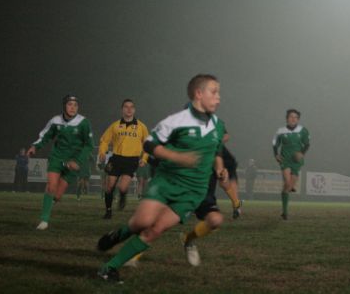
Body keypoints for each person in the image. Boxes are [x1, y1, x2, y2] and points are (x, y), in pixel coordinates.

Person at [96, 74, 226, 284]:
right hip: (167, 182)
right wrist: (176, 156)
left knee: (154, 230)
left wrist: (220, 169)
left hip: (193, 192)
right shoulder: (177, 121)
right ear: (198, 94)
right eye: (214, 92)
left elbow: (217, 149)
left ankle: (109, 268)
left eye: (219, 92)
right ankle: (119, 234)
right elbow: (149, 144)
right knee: (142, 222)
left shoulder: (218, 125)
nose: (219, 97)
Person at [27, 94, 94, 230]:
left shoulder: (84, 122)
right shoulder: (55, 121)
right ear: (64, 106)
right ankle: (44, 220)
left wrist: (77, 161)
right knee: (51, 186)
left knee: (57, 196)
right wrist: (35, 146)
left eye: (75, 105)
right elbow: (45, 136)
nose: (72, 108)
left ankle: (49, 205)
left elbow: (89, 145)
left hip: (73, 163)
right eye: (70, 104)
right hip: (57, 157)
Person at [98, 99, 150, 219]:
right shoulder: (115, 125)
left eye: (131, 107)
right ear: (122, 109)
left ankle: (122, 195)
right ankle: (108, 211)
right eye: (126, 107)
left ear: (134, 110)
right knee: (109, 186)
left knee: (122, 186)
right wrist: (102, 151)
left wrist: (144, 158)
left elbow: (147, 144)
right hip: (116, 158)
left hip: (131, 160)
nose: (129, 109)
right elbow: (105, 140)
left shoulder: (141, 127)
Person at [272, 109, 310, 220]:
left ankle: (285, 207)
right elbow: (275, 144)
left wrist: (301, 153)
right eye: (291, 116)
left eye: (295, 117)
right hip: (285, 159)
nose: (293, 119)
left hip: (296, 160)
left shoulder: (303, 130)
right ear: (287, 118)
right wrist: (276, 155)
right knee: (287, 182)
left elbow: (307, 144)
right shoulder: (281, 131)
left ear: (298, 119)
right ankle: (285, 211)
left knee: (287, 187)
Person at [219, 139, 243, 219]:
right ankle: (237, 204)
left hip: (226, 161)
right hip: (215, 159)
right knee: (223, 184)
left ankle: (237, 206)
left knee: (225, 183)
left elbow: (226, 136)